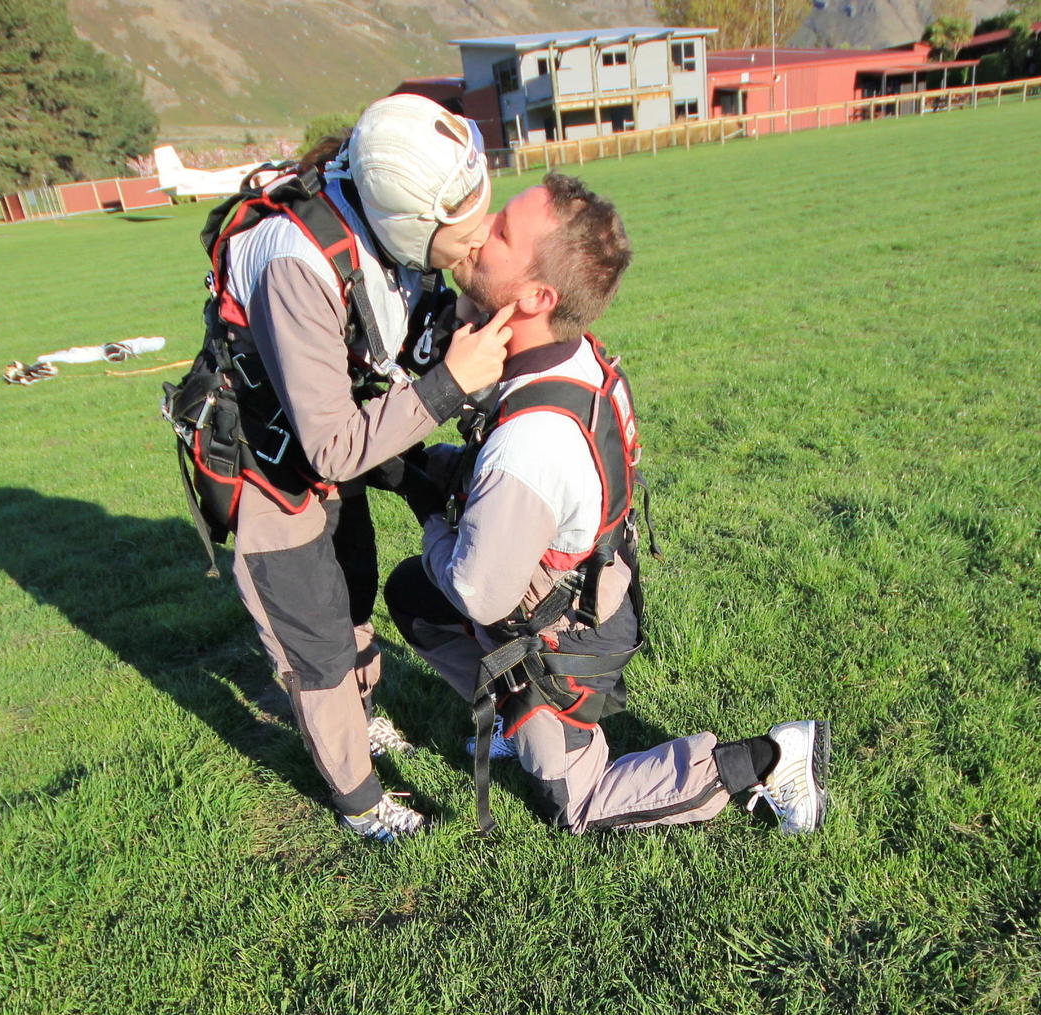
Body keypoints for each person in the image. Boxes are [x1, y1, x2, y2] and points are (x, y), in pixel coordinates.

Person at [383, 173, 830, 836]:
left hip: (573, 633)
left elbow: (478, 592)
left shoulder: (529, 444)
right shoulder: (567, 357)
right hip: (597, 576)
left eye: (500, 232)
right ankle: (517, 713)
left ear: (538, 295)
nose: (476, 232)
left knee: (578, 806)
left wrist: (423, 503)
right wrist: (423, 464)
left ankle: (768, 758)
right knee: (415, 596)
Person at [199, 94, 512, 842]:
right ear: (410, 226)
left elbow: (396, 335)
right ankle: (362, 803)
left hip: (330, 435)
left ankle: (363, 719)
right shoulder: (293, 263)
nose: (475, 254)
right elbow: (333, 447)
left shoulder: (388, 228)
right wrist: (447, 387)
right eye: (463, 242)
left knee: (354, 584)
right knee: (315, 642)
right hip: (268, 464)